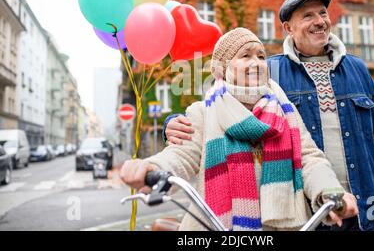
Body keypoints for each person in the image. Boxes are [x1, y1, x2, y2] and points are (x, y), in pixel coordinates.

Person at [162, 0, 374, 231]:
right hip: (307, 211)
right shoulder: (269, 70)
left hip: (363, 202)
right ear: (288, 27)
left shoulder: (357, 69)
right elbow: (226, 102)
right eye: (307, 16)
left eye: (323, 13)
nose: (319, 21)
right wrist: (172, 122)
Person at [120, 27, 358, 231]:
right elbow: (181, 155)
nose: (256, 63)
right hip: (218, 226)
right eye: (245, 56)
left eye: (261, 56)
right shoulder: (202, 112)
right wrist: (152, 167)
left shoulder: (285, 111)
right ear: (223, 68)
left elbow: (310, 159)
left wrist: (329, 190)